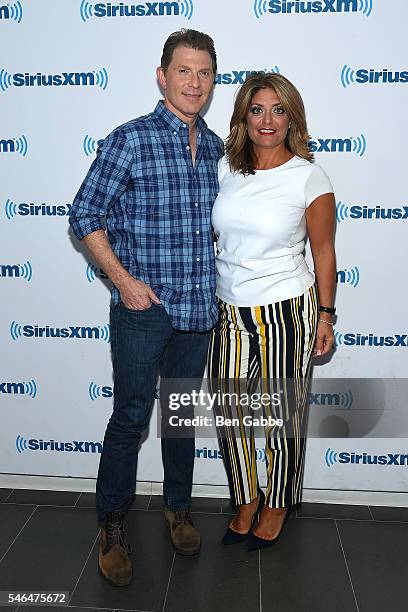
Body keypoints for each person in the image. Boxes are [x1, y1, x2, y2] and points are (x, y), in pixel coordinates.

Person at [69, 29, 223, 586]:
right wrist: (124, 281)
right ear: (163, 76)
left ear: (212, 81)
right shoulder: (130, 139)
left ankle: (177, 509)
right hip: (144, 310)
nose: (194, 82)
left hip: (198, 310)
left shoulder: (218, 150)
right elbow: (84, 213)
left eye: (204, 72)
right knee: (131, 418)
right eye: (183, 70)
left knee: (180, 415)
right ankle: (112, 524)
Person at [208, 72, 336, 551]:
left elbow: (323, 252)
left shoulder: (308, 176)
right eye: (257, 109)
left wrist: (326, 315)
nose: (267, 120)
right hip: (229, 309)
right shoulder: (225, 168)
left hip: (287, 308)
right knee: (232, 414)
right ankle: (245, 498)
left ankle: (278, 502)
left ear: (292, 118)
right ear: (244, 114)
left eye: (278, 110)